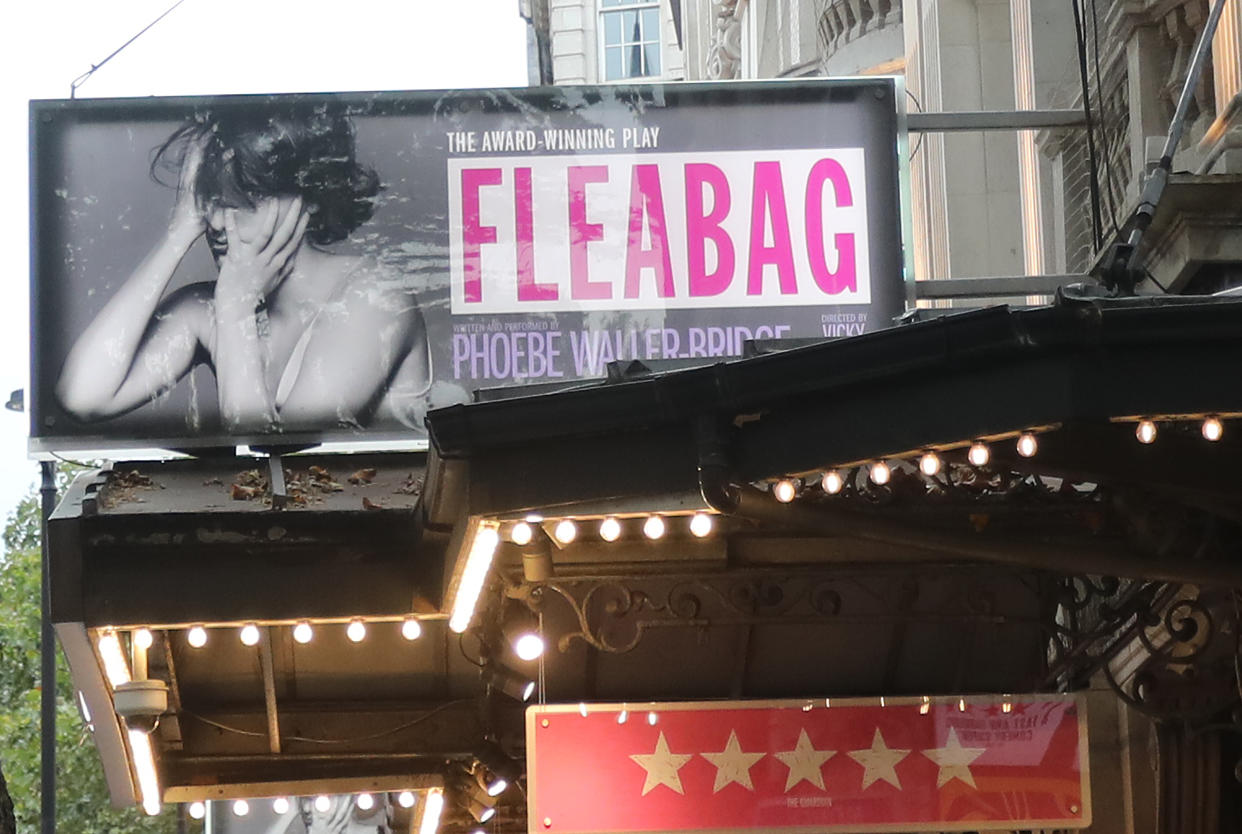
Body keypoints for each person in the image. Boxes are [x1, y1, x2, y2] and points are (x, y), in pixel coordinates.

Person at [55, 104, 431, 435]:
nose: (216, 223)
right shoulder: (211, 304)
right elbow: (82, 398)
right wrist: (179, 231)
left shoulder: (374, 295)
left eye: (242, 202)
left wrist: (235, 310)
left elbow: (279, 451)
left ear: (308, 198)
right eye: (211, 201)